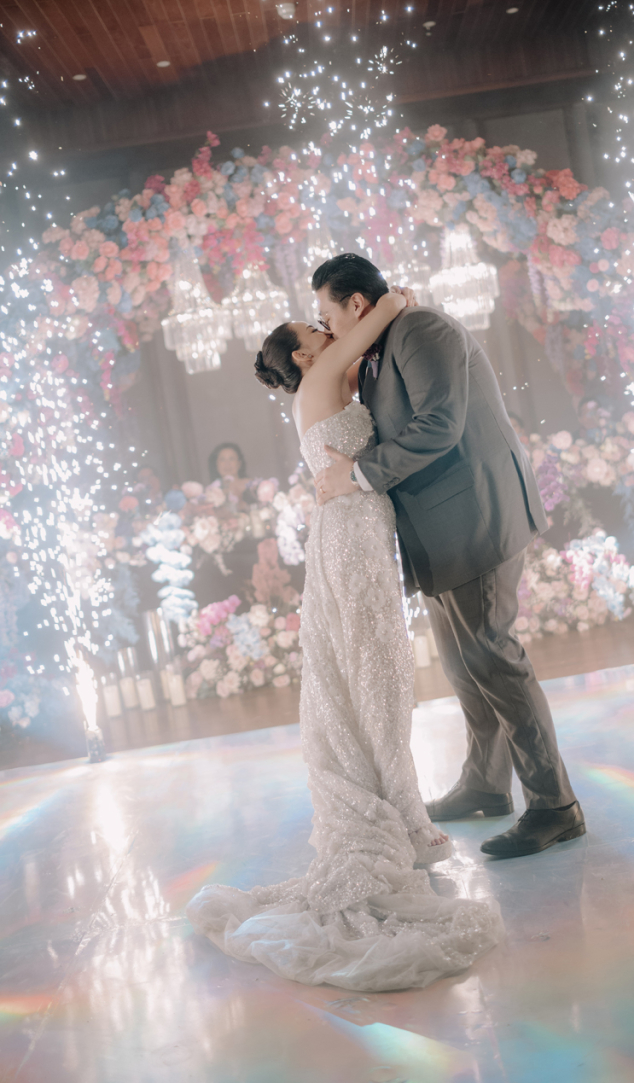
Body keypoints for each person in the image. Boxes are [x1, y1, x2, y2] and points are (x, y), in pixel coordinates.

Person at [186, 284, 503, 992]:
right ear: (303, 355)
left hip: (355, 529)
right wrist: (391, 299)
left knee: (373, 669)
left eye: (324, 319)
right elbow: (383, 311)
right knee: (378, 670)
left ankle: (398, 804)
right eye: (316, 326)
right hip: (353, 534)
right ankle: (407, 818)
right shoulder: (323, 372)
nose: (326, 329)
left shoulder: (327, 381)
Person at [314, 253, 585, 860]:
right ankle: (485, 784)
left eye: (327, 314)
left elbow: (440, 424)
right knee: (465, 665)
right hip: (440, 530)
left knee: (493, 658)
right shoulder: (383, 345)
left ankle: (555, 806)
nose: (327, 327)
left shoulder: (421, 328)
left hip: (474, 517)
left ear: (355, 303)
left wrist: (356, 476)